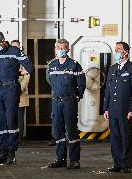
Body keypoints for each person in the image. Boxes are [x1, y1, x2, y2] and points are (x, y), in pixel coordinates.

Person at [0, 31, 34, 165]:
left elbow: (30, 67)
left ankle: (12, 153)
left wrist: (18, 73)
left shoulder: (15, 51)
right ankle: (2, 152)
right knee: (1, 120)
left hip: (11, 88)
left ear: (3, 41)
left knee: (11, 121)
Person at [46, 39, 86, 169]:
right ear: (55, 49)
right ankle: (61, 159)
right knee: (58, 131)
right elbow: (50, 81)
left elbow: (81, 84)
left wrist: (76, 97)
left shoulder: (74, 65)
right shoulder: (51, 65)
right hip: (56, 102)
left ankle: (74, 160)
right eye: (58, 47)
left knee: (72, 131)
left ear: (68, 50)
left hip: (69, 102)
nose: (61, 50)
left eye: (63, 48)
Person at [103, 41, 132, 173]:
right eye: (115, 49)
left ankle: (126, 164)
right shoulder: (113, 68)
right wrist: (106, 108)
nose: (116, 52)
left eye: (118, 49)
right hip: (113, 109)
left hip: (125, 110)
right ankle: (117, 163)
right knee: (114, 138)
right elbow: (108, 90)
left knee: (126, 137)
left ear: (125, 52)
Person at [11, 40, 30, 146]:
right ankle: (11, 139)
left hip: (20, 94)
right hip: (9, 94)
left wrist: (17, 89)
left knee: (19, 118)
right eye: (13, 47)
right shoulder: (7, 59)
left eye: (17, 47)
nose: (15, 49)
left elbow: (27, 76)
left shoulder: (24, 60)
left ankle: (19, 140)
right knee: (9, 117)